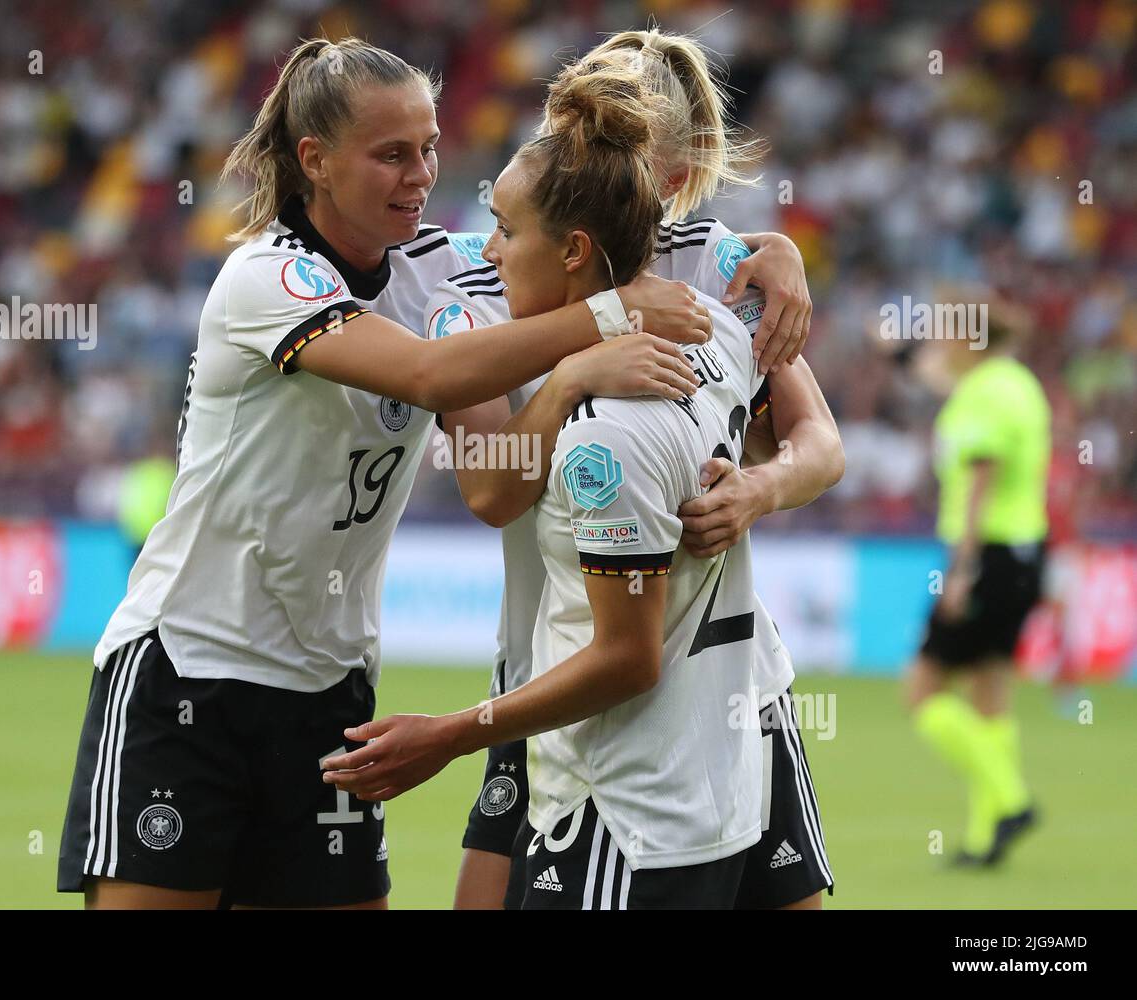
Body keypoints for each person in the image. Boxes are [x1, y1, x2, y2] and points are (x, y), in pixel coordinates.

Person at [56, 36, 723, 911]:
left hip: (332, 691)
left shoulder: (439, 270)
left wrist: (763, 258)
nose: (421, 173)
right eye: (392, 154)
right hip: (191, 675)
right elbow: (428, 376)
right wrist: (603, 323)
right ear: (315, 161)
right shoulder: (266, 278)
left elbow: (492, 481)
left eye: (431, 148)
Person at [323, 54, 837, 909]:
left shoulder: (715, 268)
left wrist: (759, 488)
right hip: (555, 663)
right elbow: (490, 490)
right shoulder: (479, 273)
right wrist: (574, 369)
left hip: (726, 677)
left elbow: (820, 443)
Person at [904, 288, 1049, 865]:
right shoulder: (1016, 385)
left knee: (921, 688)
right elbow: (932, 372)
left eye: (948, 333)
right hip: (1023, 554)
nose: (941, 344)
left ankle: (1012, 801)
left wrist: (960, 572)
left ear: (970, 340)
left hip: (985, 557)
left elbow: (980, 485)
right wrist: (900, 353)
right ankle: (988, 838)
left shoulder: (984, 395)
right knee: (991, 690)